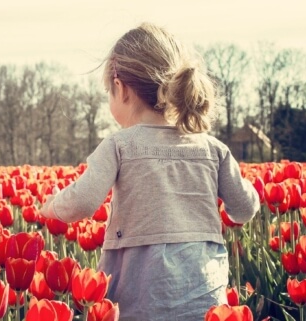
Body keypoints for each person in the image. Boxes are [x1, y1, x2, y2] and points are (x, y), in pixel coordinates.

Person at [39, 23, 259, 320]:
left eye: (109, 92)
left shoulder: (120, 145)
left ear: (121, 88)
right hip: (204, 296)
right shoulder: (212, 149)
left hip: (138, 298)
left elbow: (83, 202)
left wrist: (51, 206)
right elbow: (244, 209)